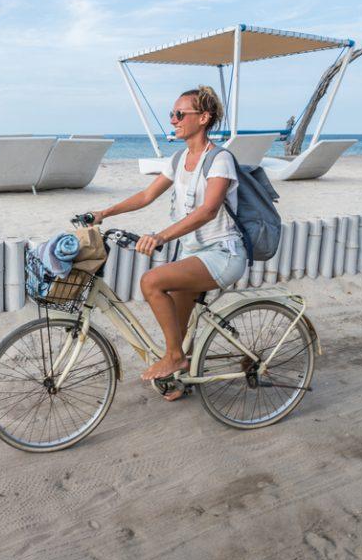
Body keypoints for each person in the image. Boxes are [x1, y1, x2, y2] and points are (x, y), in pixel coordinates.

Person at [91, 86, 247, 390]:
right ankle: (181, 377)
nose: (173, 120)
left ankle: (174, 358)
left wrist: (161, 236)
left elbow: (208, 211)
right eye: (172, 114)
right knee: (179, 328)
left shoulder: (220, 160)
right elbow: (146, 195)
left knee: (152, 281)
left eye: (179, 114)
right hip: (194, 254)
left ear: (203, 118)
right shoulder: (178, 159)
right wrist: (104, 213)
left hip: (223, 254)